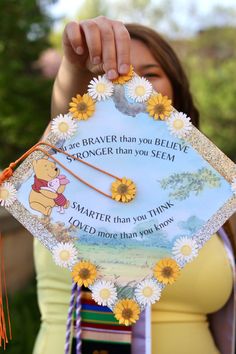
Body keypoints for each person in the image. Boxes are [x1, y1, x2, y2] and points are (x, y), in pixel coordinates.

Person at [33, 17, 236, 354]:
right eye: (114, 75)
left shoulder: (211, 188)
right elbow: (63, 117)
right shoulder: (64, 170)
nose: (132, 85)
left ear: (175, 91)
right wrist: (76, 63)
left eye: (150, 74)